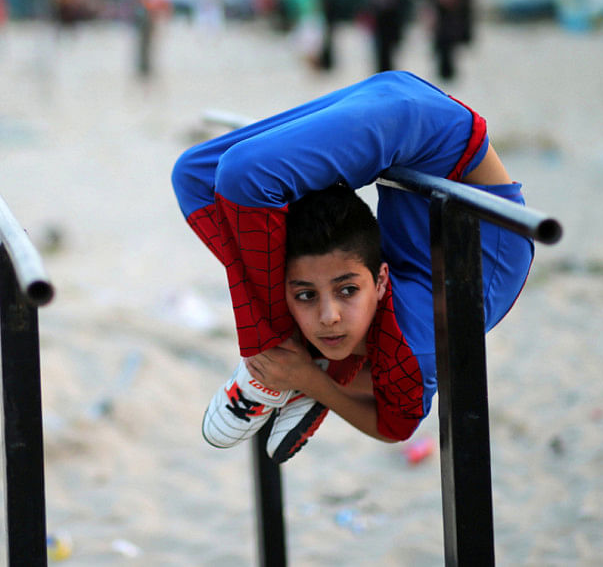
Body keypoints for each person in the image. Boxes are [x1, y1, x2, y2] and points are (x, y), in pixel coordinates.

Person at [171, 71, 533, 463]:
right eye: (306, 296)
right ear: (381, 282)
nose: (329, 317)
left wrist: (308, 379)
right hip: (448, 158)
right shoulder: (415, 345)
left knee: (195, 176)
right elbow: (396, 426)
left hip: (406, 110)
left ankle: (283, 357)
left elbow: (392, 423)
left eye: (346, 291)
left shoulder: (393, 329)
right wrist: (310, 377)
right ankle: (281, 349)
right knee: (245, 178)